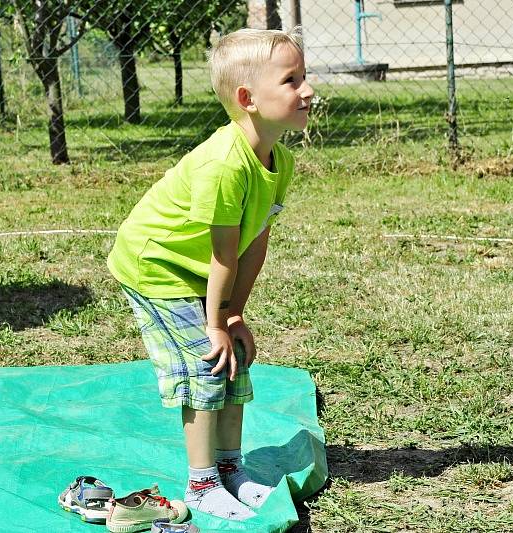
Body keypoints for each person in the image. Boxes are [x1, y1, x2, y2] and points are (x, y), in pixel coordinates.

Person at [106, 27, 314, 521]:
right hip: (156, 266)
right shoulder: (224, 164)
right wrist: (215, 323)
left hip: (200, 270)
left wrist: (235, 314)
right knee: (204, 361)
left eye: (305, 76)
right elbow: (223, 256)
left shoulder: (278, 159)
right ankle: (201, 485)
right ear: (249, 99)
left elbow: (254, 242)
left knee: (234, 356)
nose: (308, 89)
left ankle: (230, 470)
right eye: (291, 80)